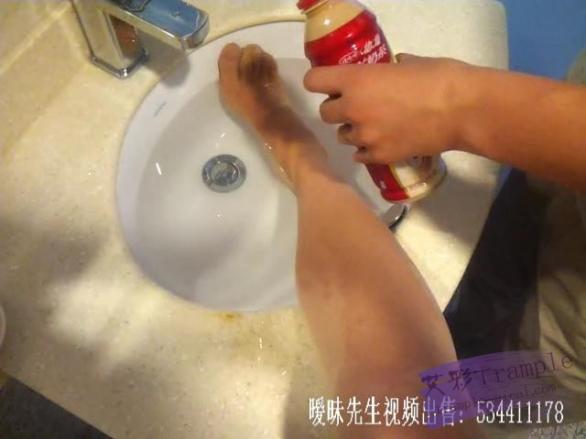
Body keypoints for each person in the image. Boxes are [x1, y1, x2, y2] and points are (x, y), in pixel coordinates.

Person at [217, 43, 586, 436]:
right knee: (508, 236)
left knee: (461, 391)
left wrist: (288, 139)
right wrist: (459, 105)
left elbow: (397, 402)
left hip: (562, 339)